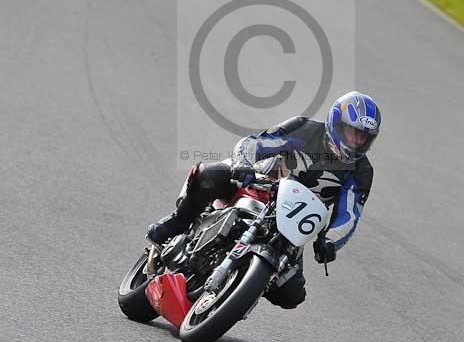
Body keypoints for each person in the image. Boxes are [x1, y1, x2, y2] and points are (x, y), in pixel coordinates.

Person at [147, 91, 381, 308]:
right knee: (209, 175)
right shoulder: (305, 129)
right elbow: (254, 143)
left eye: (363, 138)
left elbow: (349, 214)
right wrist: (243, 165)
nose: (356, 142)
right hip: (257, 185)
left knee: (292, 294)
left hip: (292, 224)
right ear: (336, 123)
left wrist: (330, 242)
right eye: (352, 132)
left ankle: (246, 285)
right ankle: (178, 222)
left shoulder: (361, 172)